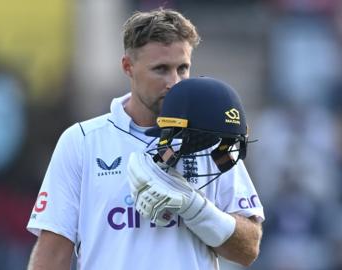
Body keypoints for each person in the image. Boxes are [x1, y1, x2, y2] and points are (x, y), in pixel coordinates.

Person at [26, 8, 264, 270]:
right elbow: (52, 256)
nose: (174, 82)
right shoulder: (82, 142)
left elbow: (248, 249)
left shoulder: (210, 137)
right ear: (128, 66)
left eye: (182, 68)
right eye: (161, 69)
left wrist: (196, 208)